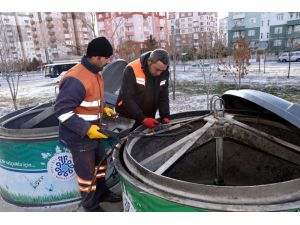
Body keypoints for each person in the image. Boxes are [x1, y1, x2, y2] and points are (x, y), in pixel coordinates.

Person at [54, 37, 121, 212]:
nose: (108, 61)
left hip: (94, 131)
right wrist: (86, 129)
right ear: (97, 57)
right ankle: (91, 207)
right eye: (107, 58)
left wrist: (104, 109)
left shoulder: (95, 72)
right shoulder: (75, 78)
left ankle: (103, 194)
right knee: (86, 175)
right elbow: (62, 111)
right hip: (79, 136)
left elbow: (91, 99)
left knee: (100, 167)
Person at [116, 49, 171, 131]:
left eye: (162, 70)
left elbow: (163, 96)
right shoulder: (132, 69)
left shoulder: (164, 72)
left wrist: (165, 115)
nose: (159, 73)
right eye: (157, 69)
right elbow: (127, 98)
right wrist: (142, 119)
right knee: (126, 141)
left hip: (148, 117)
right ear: (149, 61)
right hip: (128, 116)